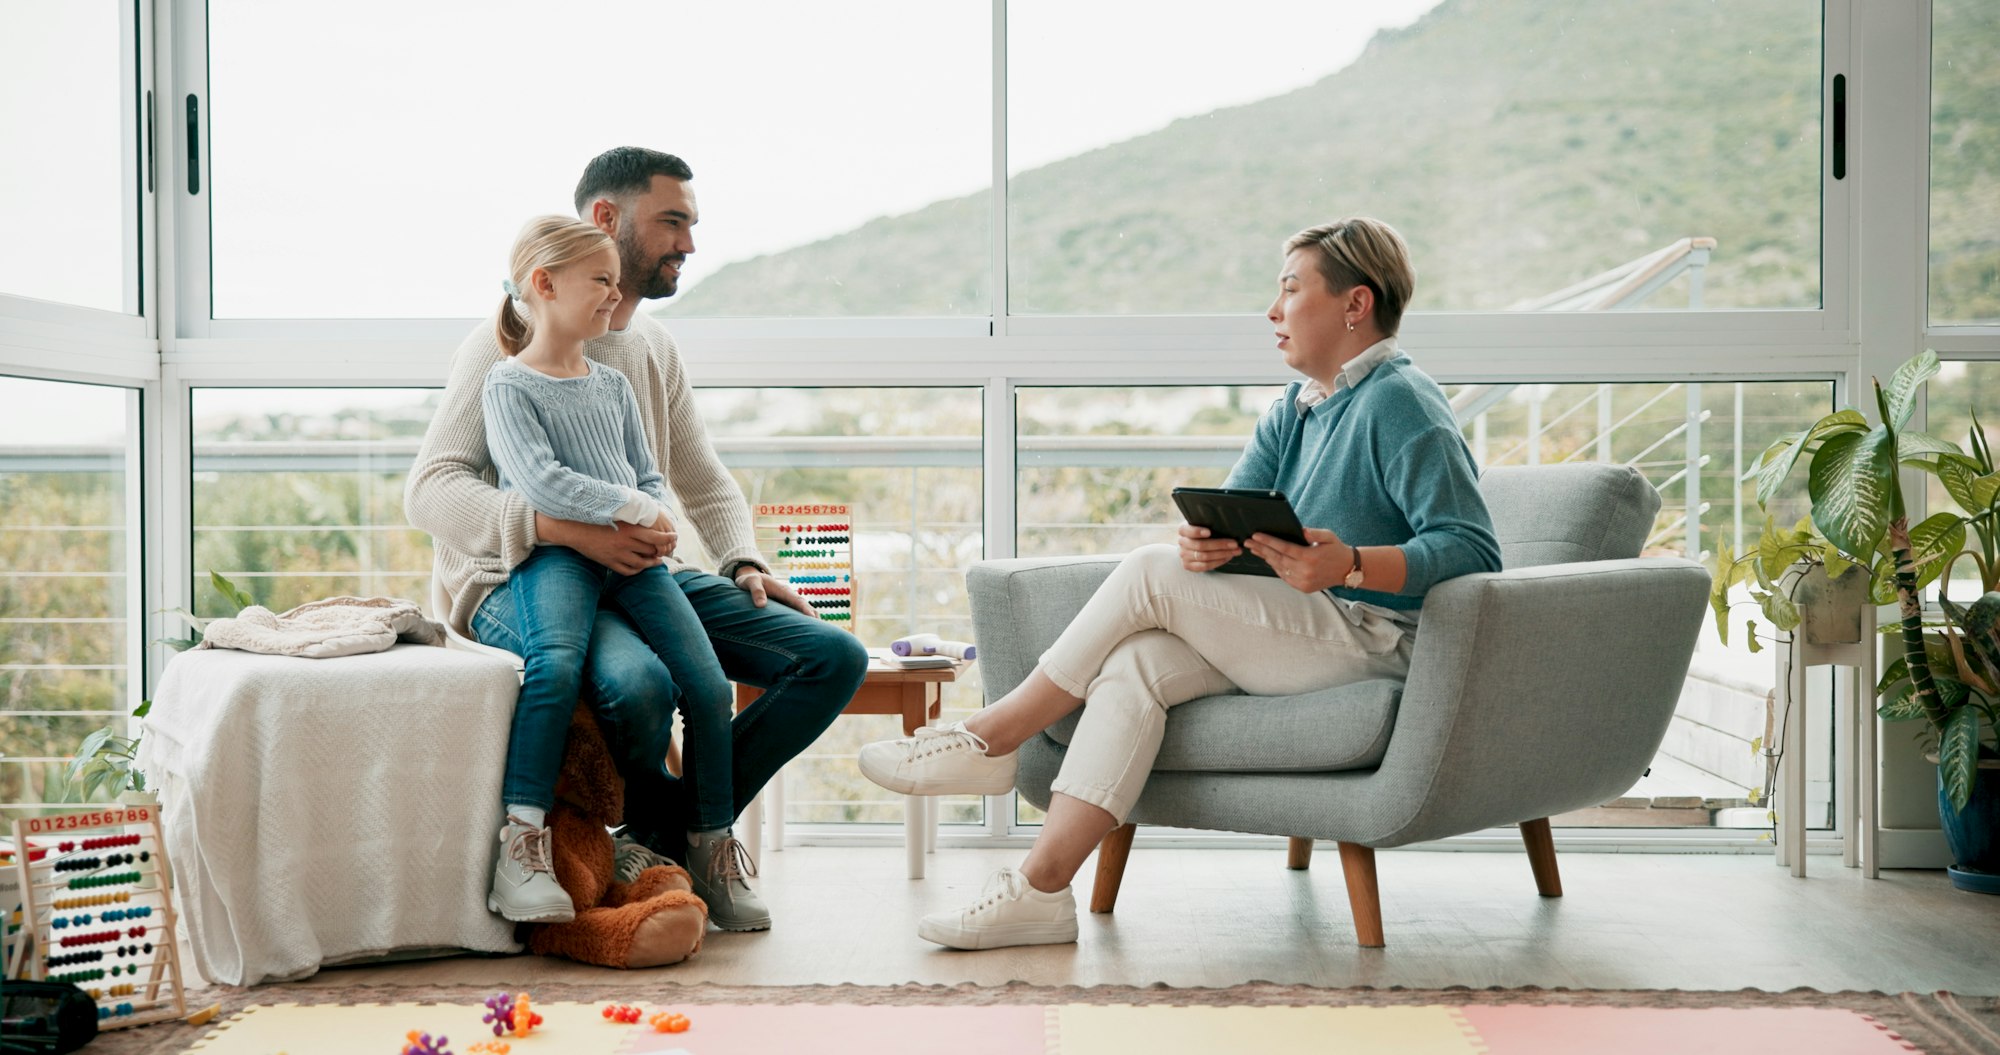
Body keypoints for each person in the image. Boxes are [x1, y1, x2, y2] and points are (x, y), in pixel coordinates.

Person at [857, 217, 1502, 950]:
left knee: (1145, 572)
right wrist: (1203, 547)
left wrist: (1350, 561)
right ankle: (1040, 890)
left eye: (1291, 290)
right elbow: (1228, 517)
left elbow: (1473, 550)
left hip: (1379, 639)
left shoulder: (1401, 400)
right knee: (1136, 663)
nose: (1272, 310)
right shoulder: (1296, 409)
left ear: (1355, 305)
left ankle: (992, 735)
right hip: (1304, 628)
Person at [407, 148, 870, 933]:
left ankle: (668, 838)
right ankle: (659, 844)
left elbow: (700, 476)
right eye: (674, 221)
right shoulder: (501, 350)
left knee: (832, 658)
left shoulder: (647, 350)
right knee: (644, 685)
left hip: (647, 566)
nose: (689, 242)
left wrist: (743, 560)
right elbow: (433, 489)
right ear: (606, 221)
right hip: (528, 573)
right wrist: (559, 529)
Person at [478, 214, 741, 925]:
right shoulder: (507, 386)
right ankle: (522, 844)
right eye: (600, 281)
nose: (612, 296)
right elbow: (541, 482)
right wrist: (632, 506)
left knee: (710, 684)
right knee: (555, 667)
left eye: (615, 283)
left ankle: (710, 844)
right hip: (557, 559)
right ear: (544, 283)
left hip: (636, 558)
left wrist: (652, 511)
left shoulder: (612, 383)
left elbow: (649, 473)